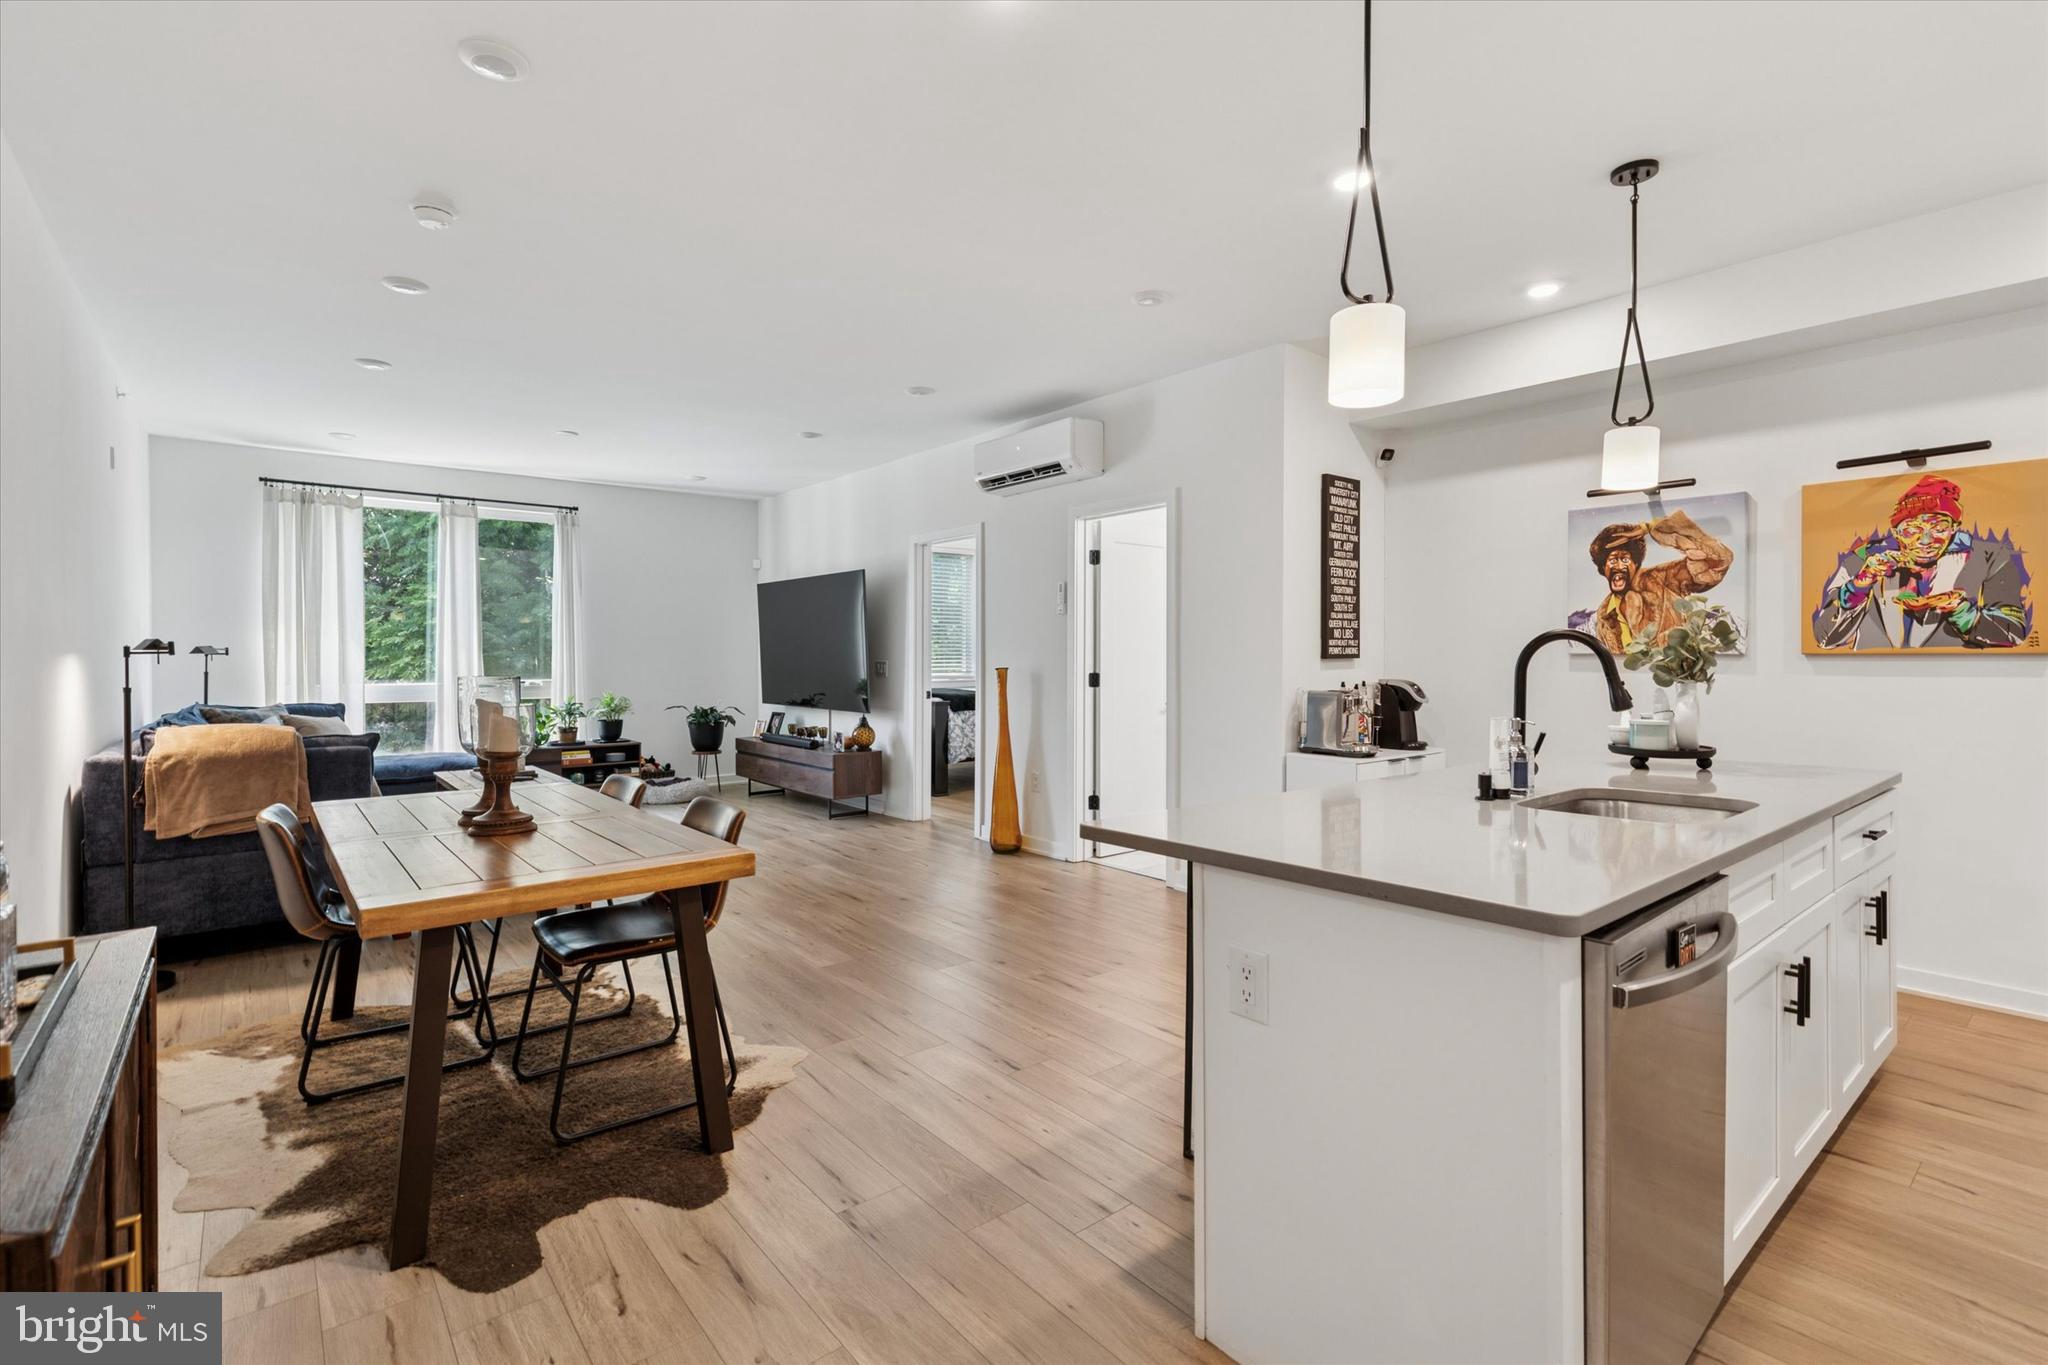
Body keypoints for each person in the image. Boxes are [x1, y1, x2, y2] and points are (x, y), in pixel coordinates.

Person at [1812, 474, 2030, 650]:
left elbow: (2014, 633)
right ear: (1896, 532)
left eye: (1938, 528)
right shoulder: (1863, 560)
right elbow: (1824, 638)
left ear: (1954, 528)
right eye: (1912, 530)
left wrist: (1960, 610)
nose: (1926, 541)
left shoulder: (1989, 556)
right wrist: (1859, 585)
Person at [1577, 509, 1734, 653]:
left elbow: (1718, 560)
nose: (1618, 566)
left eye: (1624, 559)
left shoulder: (1662, 578)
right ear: (1603, 567)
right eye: (1612, 560)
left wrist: (1652, 527)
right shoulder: (1604, 614)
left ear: (1636, 564)